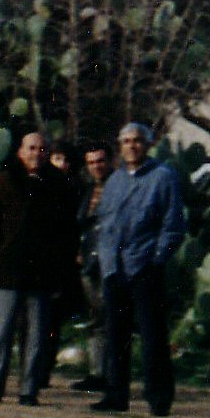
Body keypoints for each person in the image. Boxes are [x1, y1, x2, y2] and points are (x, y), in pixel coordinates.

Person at [0, 128, 80, 405]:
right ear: (21, 152)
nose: (37, 153)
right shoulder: (6, 179)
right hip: (9, 267)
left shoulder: (59, 184)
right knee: (1, 331)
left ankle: (29, 390)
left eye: (42, 149)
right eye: (31, 148)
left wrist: (60, 262)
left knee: (36, 334)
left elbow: (68, 229)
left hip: (43, 271)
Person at [92, 123, 187, 418]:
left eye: (137, 141)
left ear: (147, 144)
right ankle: (115, 394)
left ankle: (158, 397)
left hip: (145, 266)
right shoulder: (115, 180)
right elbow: (104, 223)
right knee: (116, 335)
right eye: (126, 141)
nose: (131, 146)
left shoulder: (163, 177)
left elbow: (173, 225)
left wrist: (157, 259)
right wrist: (106, 260)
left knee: (152, 336)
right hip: (115, 268)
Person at [71, 142, 114, 391]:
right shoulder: (88, 191)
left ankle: (110, 373)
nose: (96, 166)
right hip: (88, 262)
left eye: (100, 161)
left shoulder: (117, 188)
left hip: (109, 261)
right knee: (95, 317)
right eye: (91, 162)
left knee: (110, 317)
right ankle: (97, 372)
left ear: (109, 161)